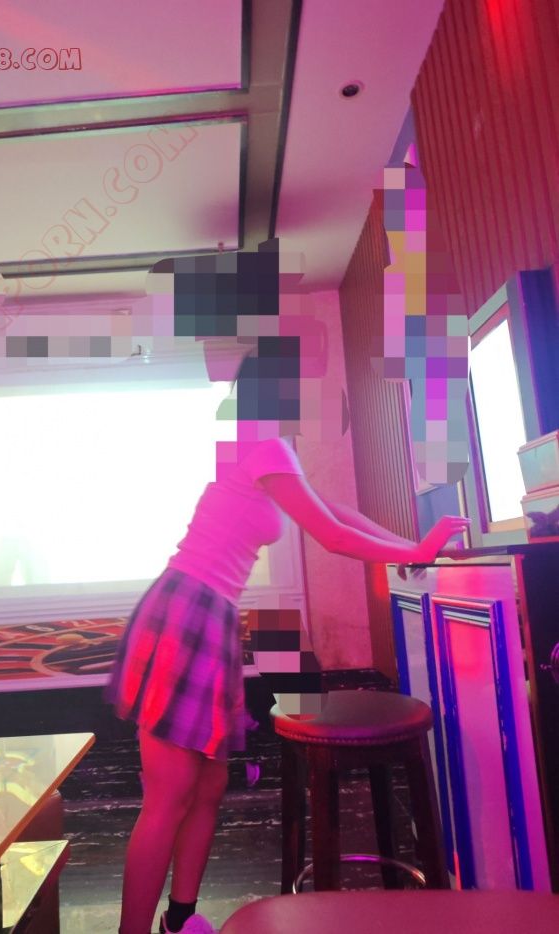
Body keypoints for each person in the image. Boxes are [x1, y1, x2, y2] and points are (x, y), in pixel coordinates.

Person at [105, 340, 469, 934]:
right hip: (184, 612)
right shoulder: (261, 444)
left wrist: (413, 548)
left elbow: (339, 513)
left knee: (209, 786)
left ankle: (180, 920)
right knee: (169, 794)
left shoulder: (274, 451)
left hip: (210, 616)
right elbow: (331, 535)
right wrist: (416, 550)